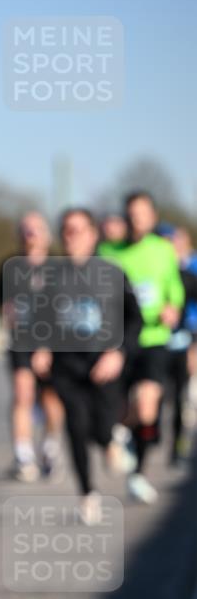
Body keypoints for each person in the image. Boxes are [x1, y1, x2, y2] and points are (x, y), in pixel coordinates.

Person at [31, 208, 142, 524]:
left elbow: (135, 319)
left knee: (101, 428)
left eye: (78, 230)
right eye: (66, 230)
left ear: (93, 235)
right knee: (76, 426)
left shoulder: (112, 273)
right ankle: (87, 494)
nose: (72, 236)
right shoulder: (51, 277)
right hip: (68, 365)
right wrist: (40, 346)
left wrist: (118, 352)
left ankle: (109, 440)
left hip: (103, 364)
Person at [102, 193, 185, 503]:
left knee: (147, 402)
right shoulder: (109, 252)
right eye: (131, 214)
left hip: (153, 338)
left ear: (152, 217)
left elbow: (174, 289)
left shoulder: (163, 250)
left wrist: (172, 307)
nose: (136, 219)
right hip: (121, 342)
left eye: (142, 214)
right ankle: (120, 433)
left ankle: (137, 471)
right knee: (126, 407)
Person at [0, 211, 65, 481]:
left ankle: (50, 445)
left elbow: (62, 312)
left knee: (51, 398)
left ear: (46, 236)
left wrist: (46, 346)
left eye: (36, 229)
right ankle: (23, 455)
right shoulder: (8, 267)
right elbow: (5, 306)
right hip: (22, 342)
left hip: (54, 343)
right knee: (22, 393)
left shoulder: (59, 268)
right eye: (25, 230)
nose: (31, 235)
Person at [155, 224, 197, 463]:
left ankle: (178, 447)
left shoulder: (188, 276)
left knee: (180, 398)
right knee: (156, 395)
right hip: (155, 345)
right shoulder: (151, 272)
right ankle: (152, 435)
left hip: (182, 344)